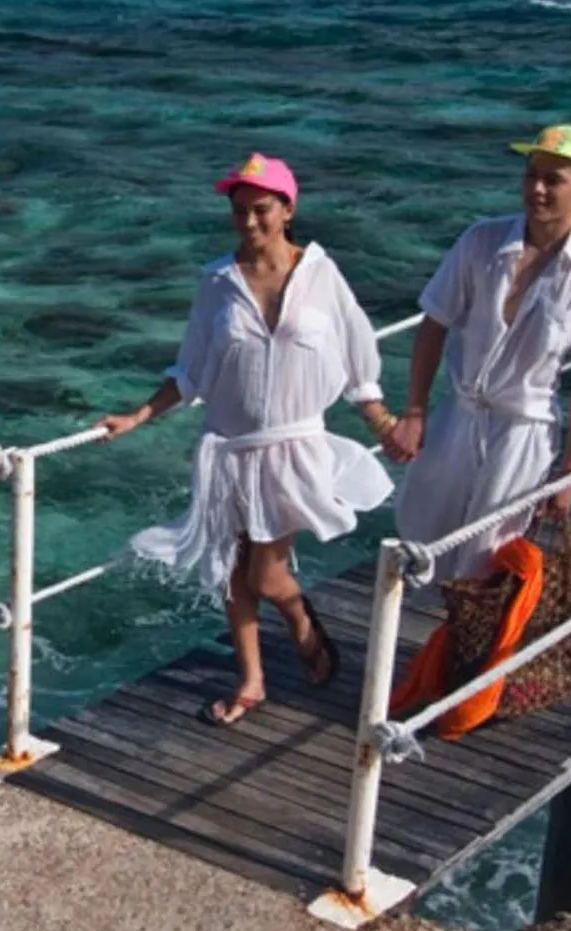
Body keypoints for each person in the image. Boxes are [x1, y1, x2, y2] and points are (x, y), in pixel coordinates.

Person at [101, 153, 398, 724]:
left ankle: (300, 619)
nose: (250, 223)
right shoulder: (216, 282)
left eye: (261, 210)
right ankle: (252, 680)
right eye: (239, 212)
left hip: (293, 447)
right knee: (231, 571)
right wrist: (138, 416)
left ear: (288, 208)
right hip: (229, 451)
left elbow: (359, 359)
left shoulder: (321, 275)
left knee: (265, 573)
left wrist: (383, 422)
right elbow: (190, 373)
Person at [386, 124, 571, 580]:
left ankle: (468, 648)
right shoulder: (482, 240)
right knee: (419, 535)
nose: (536, 189)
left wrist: (569, 472)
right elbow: (433, 323)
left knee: (484, 556)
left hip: (523, 429)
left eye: (553, 180)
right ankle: (424, 643)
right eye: (531, 175)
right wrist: (415, 411)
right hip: (459, 414)